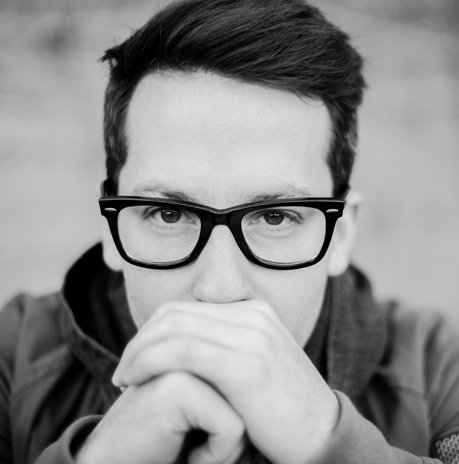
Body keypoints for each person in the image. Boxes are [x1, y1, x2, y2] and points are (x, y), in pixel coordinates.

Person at [1, 0, 458, 463]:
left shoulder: (440, 368)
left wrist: (327, 438)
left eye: (275, 217)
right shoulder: (11, 353)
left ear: (341, 235)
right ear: (110, 229)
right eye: (169, 215)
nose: (220, 291)